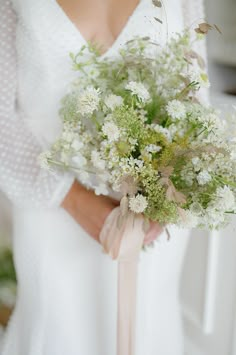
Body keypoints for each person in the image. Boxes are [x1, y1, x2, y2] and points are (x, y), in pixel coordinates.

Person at [0, 0, 206, 354]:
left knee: (148, 326)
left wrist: (167, 196)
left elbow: (196, 94)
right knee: (56, 328)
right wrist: (73, 198)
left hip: (154, 215)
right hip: (50, 206)